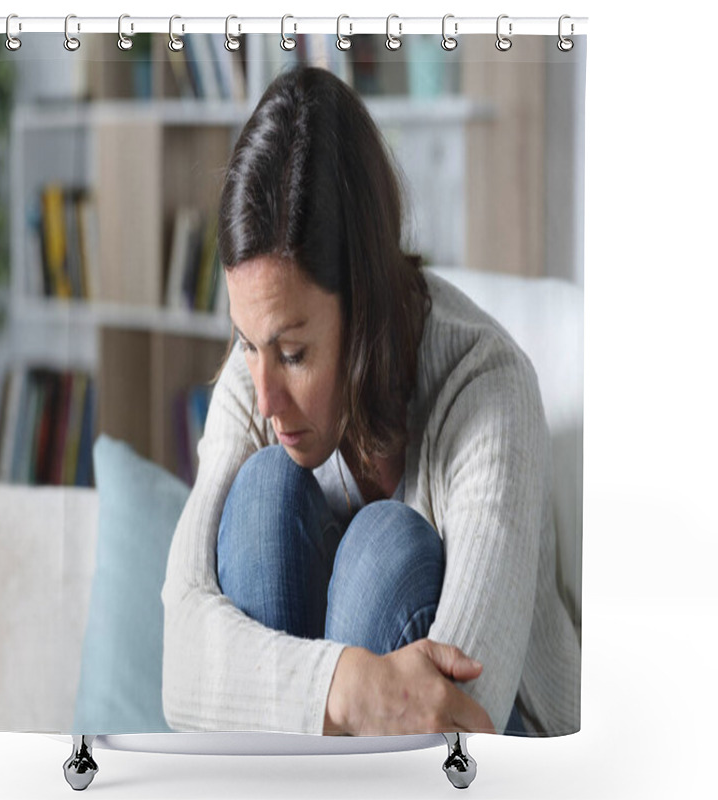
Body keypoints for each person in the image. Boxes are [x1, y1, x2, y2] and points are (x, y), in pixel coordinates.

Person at [161, 65, 580, 737]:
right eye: (246, 342)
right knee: (265, 487)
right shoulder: (255, 380)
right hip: (344, 748)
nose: (264, 395)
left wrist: (295, 691)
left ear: (366, 310)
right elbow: (180, 666)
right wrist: (346, 687)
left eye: (294, 353)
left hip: (507, 745)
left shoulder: (488, 390)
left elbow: (462, 720)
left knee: (386, 550)